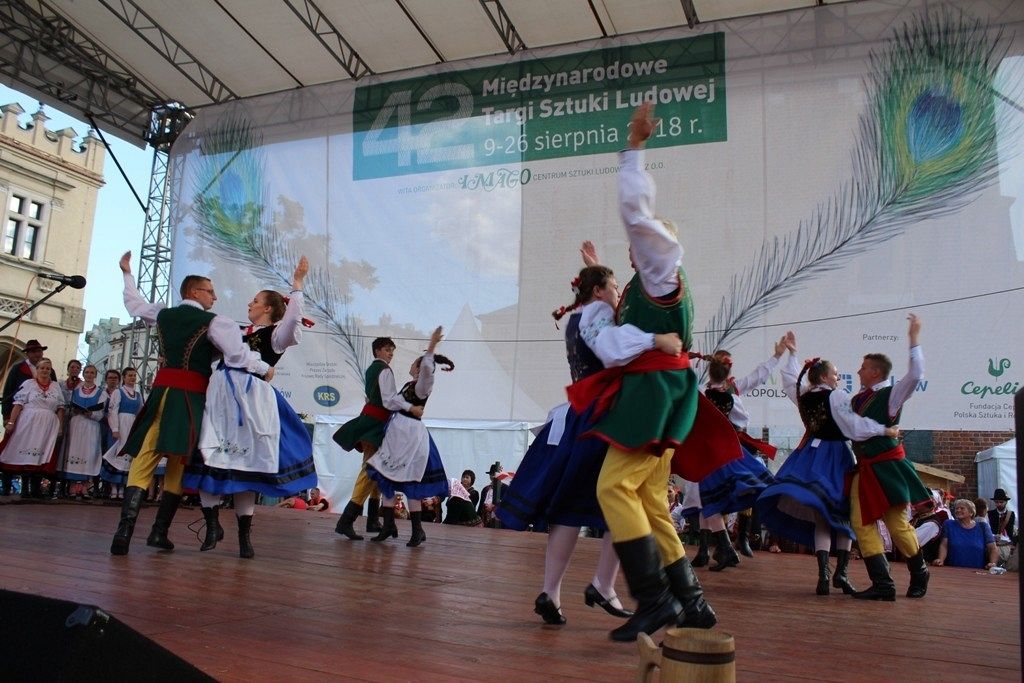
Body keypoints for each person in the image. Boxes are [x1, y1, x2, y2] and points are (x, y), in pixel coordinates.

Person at [569, 103, 740, 642]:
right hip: (665, 394)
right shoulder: (650, 286)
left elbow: (637, 216)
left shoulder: (661, 273)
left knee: (613, 487)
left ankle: (653, 598)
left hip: (652, 395)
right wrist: (600, 277)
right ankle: (692, 601)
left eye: (642, 247)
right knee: (649, 501)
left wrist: (635, 151)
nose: (636, 250)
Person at [498, 258, 679, 627]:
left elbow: (600, 331)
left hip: (579, 415)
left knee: (569, 508)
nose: (618, 293)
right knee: (624, 497)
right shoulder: (599, 312)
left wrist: (595, 268)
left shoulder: (577, 316)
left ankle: (551, 592)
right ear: (597, 291)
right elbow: (611, 347)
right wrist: (656, 340)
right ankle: (604, 583)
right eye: (613, 286)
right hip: (604, 416)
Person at [109, 251, 271, 556]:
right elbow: (237, 355)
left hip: (161, 394)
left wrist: (127, 273)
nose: (215, 297)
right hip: (189, 399)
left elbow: (133, 303)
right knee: (178, 461)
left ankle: (125, 531)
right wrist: (263, 367)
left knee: (145, 457)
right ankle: (157, 531)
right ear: (194, 292)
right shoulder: (215, 322)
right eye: (210, 291)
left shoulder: (163, 315)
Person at [184, 256, 317, 559]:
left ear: (268, 309)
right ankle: (212, 526)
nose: (249, 303)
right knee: (209, 456)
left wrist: (297, 285)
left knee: (247, 467)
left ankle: (244, 537)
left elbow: (293, 322)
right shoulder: (235, 331)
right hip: (220, 397)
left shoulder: (276, 335)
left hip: (251, 402)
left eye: (255, 301)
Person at [757, 334, 899, 595]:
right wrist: (883, 430)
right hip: (834, 456)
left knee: (822, 516)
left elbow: (789, 379)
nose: (838, 377)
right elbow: (853, 425)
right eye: (834, 373)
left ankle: (824, 575)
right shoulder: (837, 396)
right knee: (843, 514)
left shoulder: (803, 395)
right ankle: (840, 574)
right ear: (823, 377)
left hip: (809, 456)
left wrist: (792, 354)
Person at [845, 314, 931, 600]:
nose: (858, 371)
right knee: (861, 524)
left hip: (887, 469)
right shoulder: (857, 400)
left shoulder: (890, 396)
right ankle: (883, 584)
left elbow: (915, 375)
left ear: (875, 372)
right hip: (864, 469)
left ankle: (920, 571)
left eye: (863, 367)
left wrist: (914, 338)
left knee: (896, 524)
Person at [687, 345, 780, 571]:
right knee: (708, 499)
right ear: (728, 370)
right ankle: (707, 550)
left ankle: (722, 548)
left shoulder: (700, 392)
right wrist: (777, 355)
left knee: (706, 498)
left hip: (708, 452)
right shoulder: (731, 394)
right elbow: (743, 417)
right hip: (725, 449)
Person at [364, 326, 452, 547]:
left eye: (415, 363)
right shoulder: (409, 385)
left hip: (410, 438)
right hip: (397, 435)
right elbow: (392, 401)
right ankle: (388, 525)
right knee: (386, 477)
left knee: (411, 481)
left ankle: (417, 530)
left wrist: (431, 347)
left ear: (419, 368)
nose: (411, 365)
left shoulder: (422, 386)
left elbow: (428, 371)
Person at [332, 336, 410, 539]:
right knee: (370, 469)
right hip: (375, 425)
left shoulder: (372, 369)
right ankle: (346, 520)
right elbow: (389, 400)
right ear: (377, 351)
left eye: (392, 350)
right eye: (387, 349)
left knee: (376, 469)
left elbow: (375, 397)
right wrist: (408, 403)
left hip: (372, 422)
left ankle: (373, 519)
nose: (391, 353)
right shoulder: (384, 370)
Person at [0, 357, 65, 497]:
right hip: (28, 424)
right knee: (25, 452)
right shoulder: (29, 384)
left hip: (48, 426)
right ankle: (24, 488)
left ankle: (35, 489)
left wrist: (60, 427)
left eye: (48, 368)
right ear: (37, 369)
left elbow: (60, 408)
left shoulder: (55, 386)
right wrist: (11, 422)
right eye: (42, 368)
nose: (45, 370)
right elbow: (18, 404)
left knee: (41, 454)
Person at [1, 339, 47, 496]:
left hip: (39, 419)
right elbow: (8, 393)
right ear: (28, 354)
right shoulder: (18, 369)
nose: (37, 354)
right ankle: (6, 486)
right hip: (19, 414)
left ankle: (33, 487)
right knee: (11, 447)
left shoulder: (49, 370)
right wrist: (6, 417)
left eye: (39, 351)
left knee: (36, 449)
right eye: (34, 352)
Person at [60, 364, 106, 499]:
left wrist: (91, 414)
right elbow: (68, 408)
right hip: (76, 425)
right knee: (73, 452)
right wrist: (74, 410)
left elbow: (101, 413)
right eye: (87, 372)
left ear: (95, 375)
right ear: (83, 374)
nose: (89, 375)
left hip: (91, 426)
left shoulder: (101, 392)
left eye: (92, 373)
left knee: (89, 453)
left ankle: (85, 487)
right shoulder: (75, 391)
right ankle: (72, 486)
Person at [100, 367, 144, 500]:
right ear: (124, 378)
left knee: (128, 457)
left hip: (131, 427)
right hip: (120, 426)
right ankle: (114, 488)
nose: (132, 378)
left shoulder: (138, 395)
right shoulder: (118, 392)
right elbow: (112, 411)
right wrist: (115, 429)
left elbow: (141, 413)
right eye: (130, 375)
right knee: (116, 454)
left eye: (134, 375)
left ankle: (123, 488)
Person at [933, 499, 999, 569]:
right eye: (956, 508)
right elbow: (944, 545)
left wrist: (992, 564)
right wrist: (941, 560)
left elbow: (992, 548)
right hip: (952, 570)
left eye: (962, 508)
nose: (958, 510)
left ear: (971, 512)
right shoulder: (949, 524)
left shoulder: (983, 527)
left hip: (977, 572)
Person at [478, 463, 511, 528]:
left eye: (495, 474)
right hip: (486, 521)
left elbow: (507, 505)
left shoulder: (506, 488)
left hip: (500, 522)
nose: (493, 476)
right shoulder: (485, 489)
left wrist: (494, 507)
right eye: (491, 474)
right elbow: (480, 506)